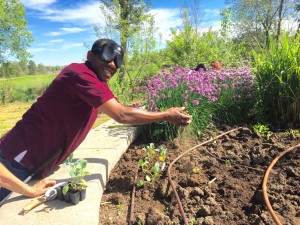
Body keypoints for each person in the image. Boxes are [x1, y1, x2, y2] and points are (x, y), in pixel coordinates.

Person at [0, 38, 191, 204]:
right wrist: (166, 115)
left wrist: (136, 106)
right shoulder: (80, 74)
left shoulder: (95, 81)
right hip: (16, 159)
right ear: (90, 55)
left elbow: (115, 108)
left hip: (32, 161)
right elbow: (121, 115)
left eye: (118, 60)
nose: (114, 65)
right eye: (108, 56)